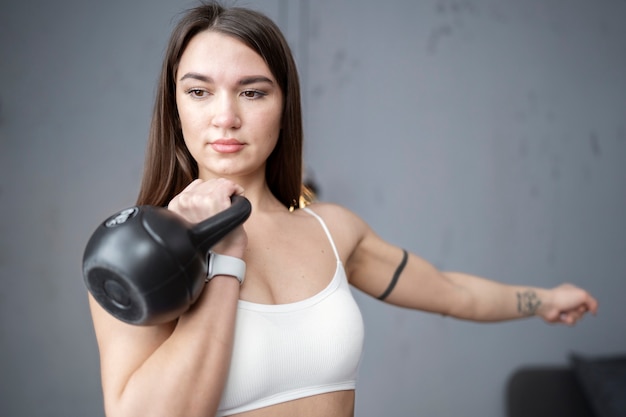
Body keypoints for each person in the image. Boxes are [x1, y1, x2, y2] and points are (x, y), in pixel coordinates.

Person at [87, 3, 599, 417]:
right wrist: (220, 257)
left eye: (252, 92)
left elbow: (451, 292)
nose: (226, 116)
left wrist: (545, 300)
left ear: (284, 107)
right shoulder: (135, 249)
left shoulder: (332, 229)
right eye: (199, 91)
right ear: (175, 109)